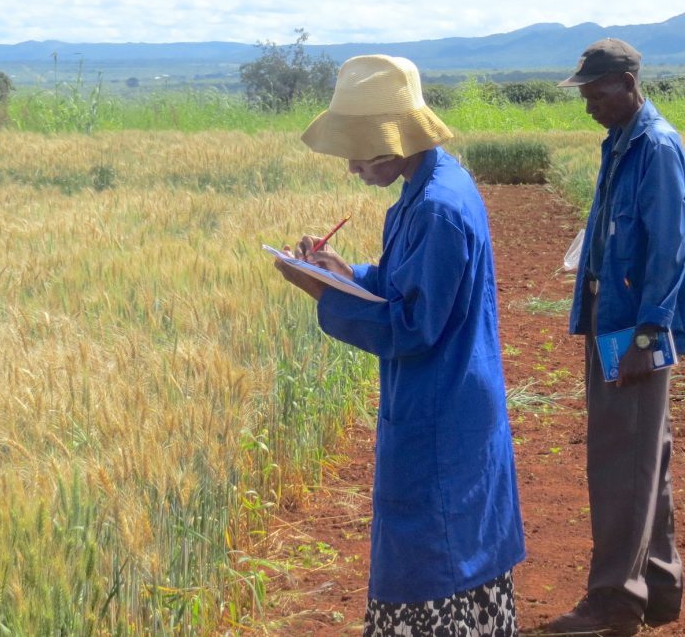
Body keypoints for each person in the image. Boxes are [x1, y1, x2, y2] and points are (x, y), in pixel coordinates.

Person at [273, 54, 525, 636]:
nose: (354, 168)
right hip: (452, 398)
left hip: (440, 408)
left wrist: (320, 293)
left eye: (359, 152)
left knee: (432, 555)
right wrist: (345, 273)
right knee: (459, 542)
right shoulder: (431, 183)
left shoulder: (436, 207)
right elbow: (403, 287)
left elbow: (413, 326)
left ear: (391, 143)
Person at [542, 38, 685, 636]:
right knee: (643, 452)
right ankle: (657, 587)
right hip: (614, 319)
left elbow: (671, 252)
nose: (588, 104)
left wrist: (646, 339)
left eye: (596, 92)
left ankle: (613, 604)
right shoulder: (622, 143)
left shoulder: (655, 147)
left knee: (619, 458)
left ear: (628, 82)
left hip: (633, 327)